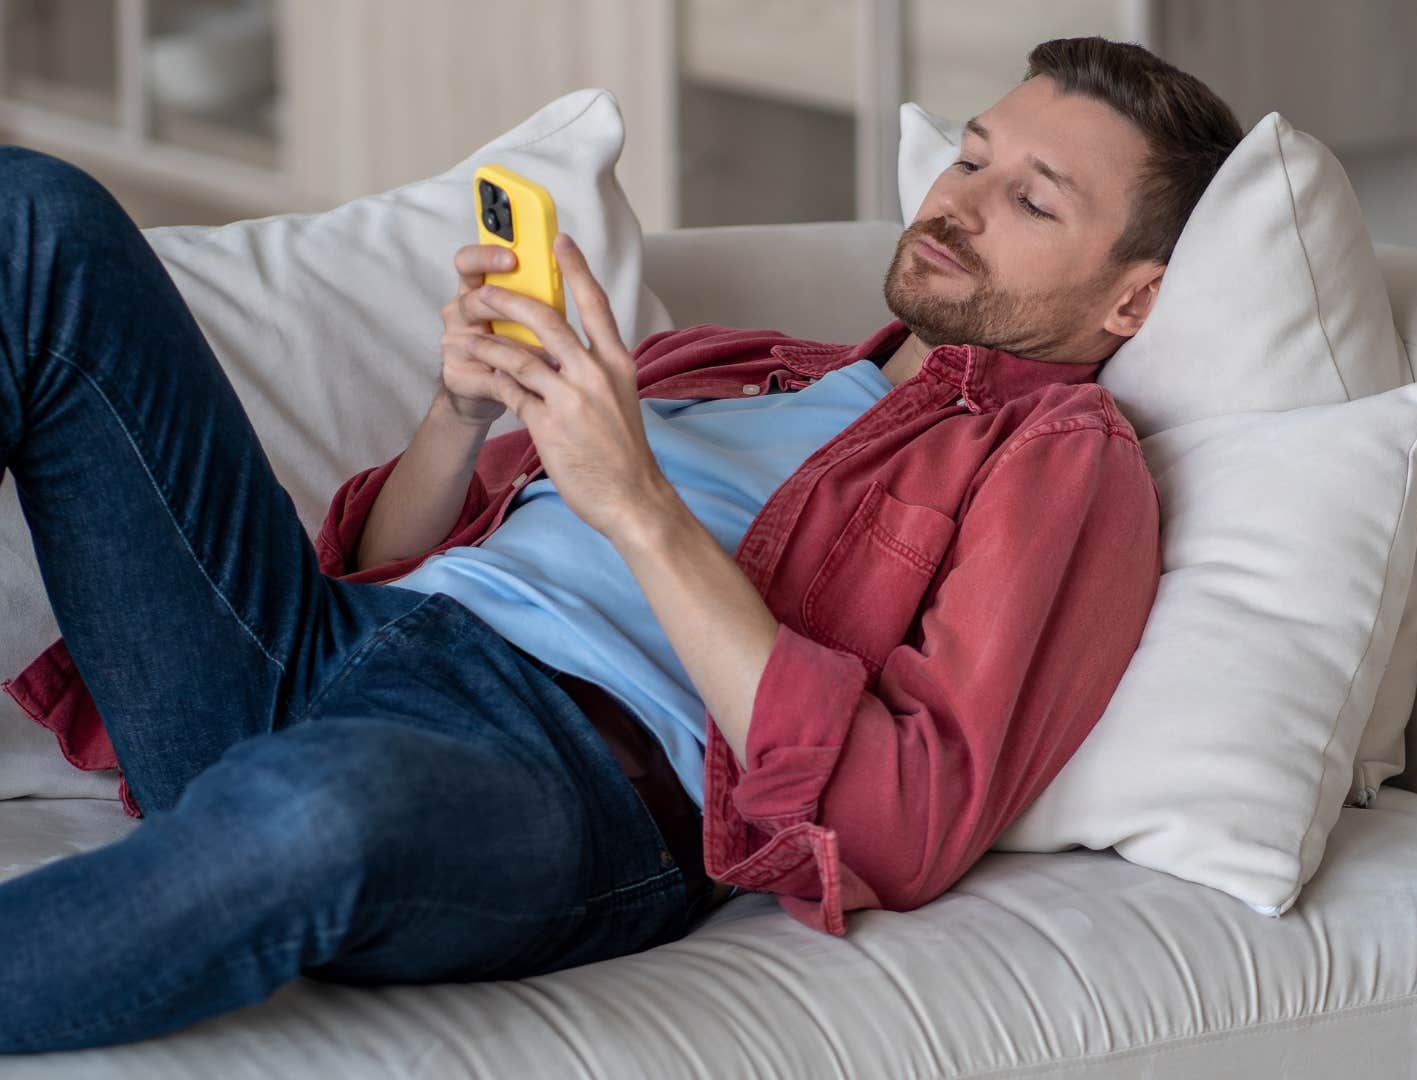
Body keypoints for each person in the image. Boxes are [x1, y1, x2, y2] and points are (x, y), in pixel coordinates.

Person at [0, 36, 1242, 1052]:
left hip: (559, 766)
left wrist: (636, 503)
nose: (958, 205)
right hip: (324, 650)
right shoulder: (731, 365)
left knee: (316, 805)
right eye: (970, 159)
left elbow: (904, 823)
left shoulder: (1060, 455)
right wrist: (459, 417)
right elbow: (364, 576)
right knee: (41, 219)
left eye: (1030, 199)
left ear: (1132, 297)